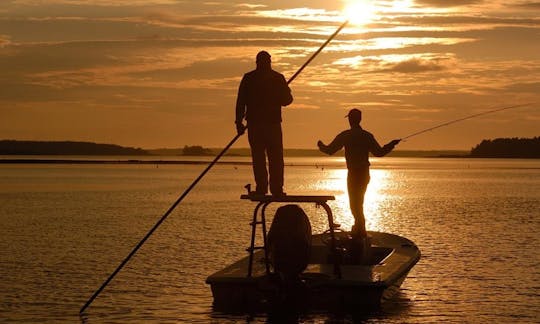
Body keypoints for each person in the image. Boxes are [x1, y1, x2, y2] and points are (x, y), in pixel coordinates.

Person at [318, 108, 400, 239]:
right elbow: (379, 153)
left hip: (354, 174)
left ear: (350, 120)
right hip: (364, 174)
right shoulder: (367, 136)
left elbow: (329, 150)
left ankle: (360, 229)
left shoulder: (345, 135)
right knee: (358, 202)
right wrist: (391, 144)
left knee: (354, 203)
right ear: (359, 119)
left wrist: (320, 145)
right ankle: (359, 228)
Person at [235, 51, 293, 196]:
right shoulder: (277, 78)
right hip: (267, 125)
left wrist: (239, 122)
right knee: (273, 158)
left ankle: (265, 188)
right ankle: (275, 189)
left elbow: (241, 102)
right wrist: (238, 122)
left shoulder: (250, 78)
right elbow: (287, 100)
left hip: (260, 125)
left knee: (262, 158)